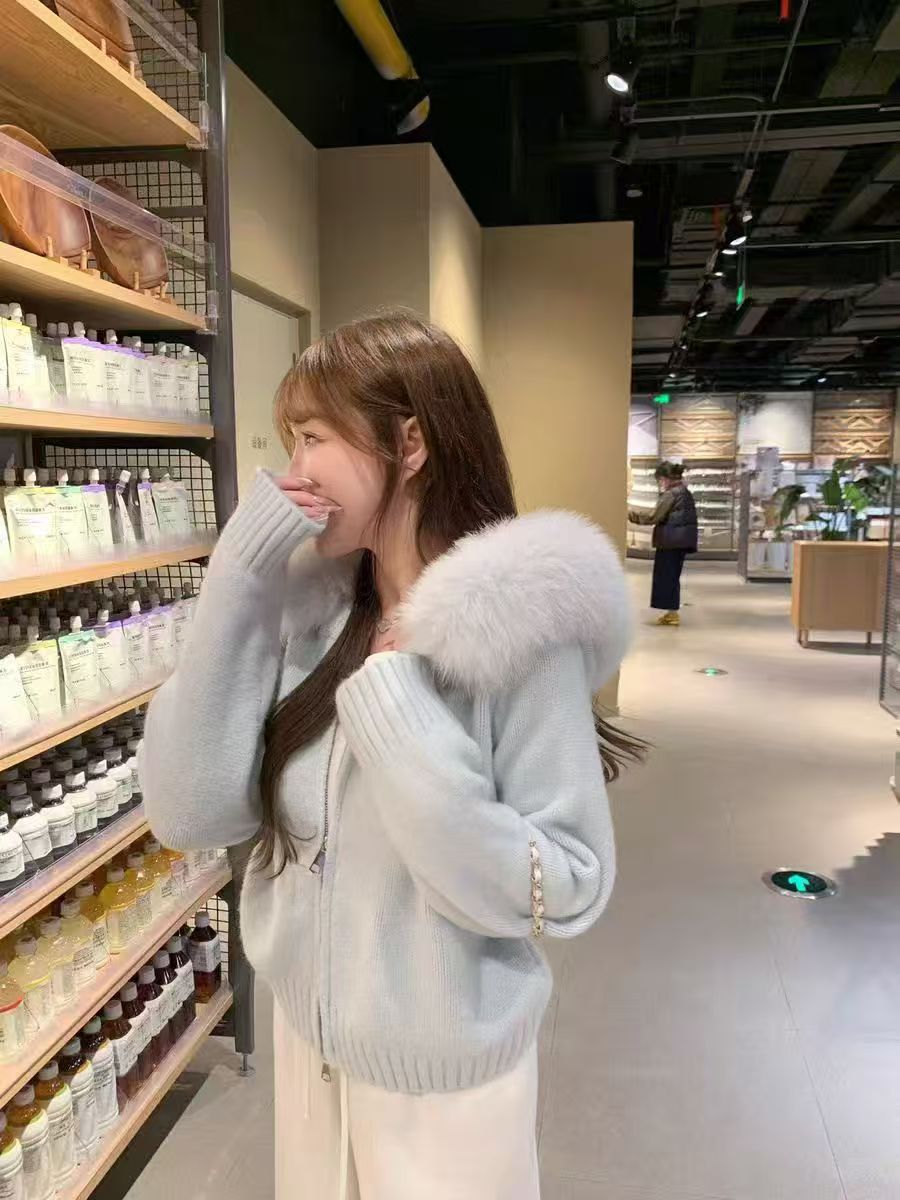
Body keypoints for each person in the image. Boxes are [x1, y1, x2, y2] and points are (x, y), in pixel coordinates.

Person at [141, 312, 641, 1200]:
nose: (293, 471)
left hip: (442, 1093)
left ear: (409, 444)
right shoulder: (321, 613)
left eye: (312, 438)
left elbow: (568, 882)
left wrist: (400, 714)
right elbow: (190, 811)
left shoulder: (520, 637)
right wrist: (239, 578)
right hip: (309, 1051)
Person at [628, 460, 698, 626]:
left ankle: (672, 614)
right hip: (680, 541)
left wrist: (631, 515)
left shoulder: (671, 494)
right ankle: (672, 612)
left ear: (665, 478)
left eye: (659, 480)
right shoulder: (684, 491)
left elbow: (654, 517)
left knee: (666, 576)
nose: (660, 483)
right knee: (672, 576)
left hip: (670, 541)